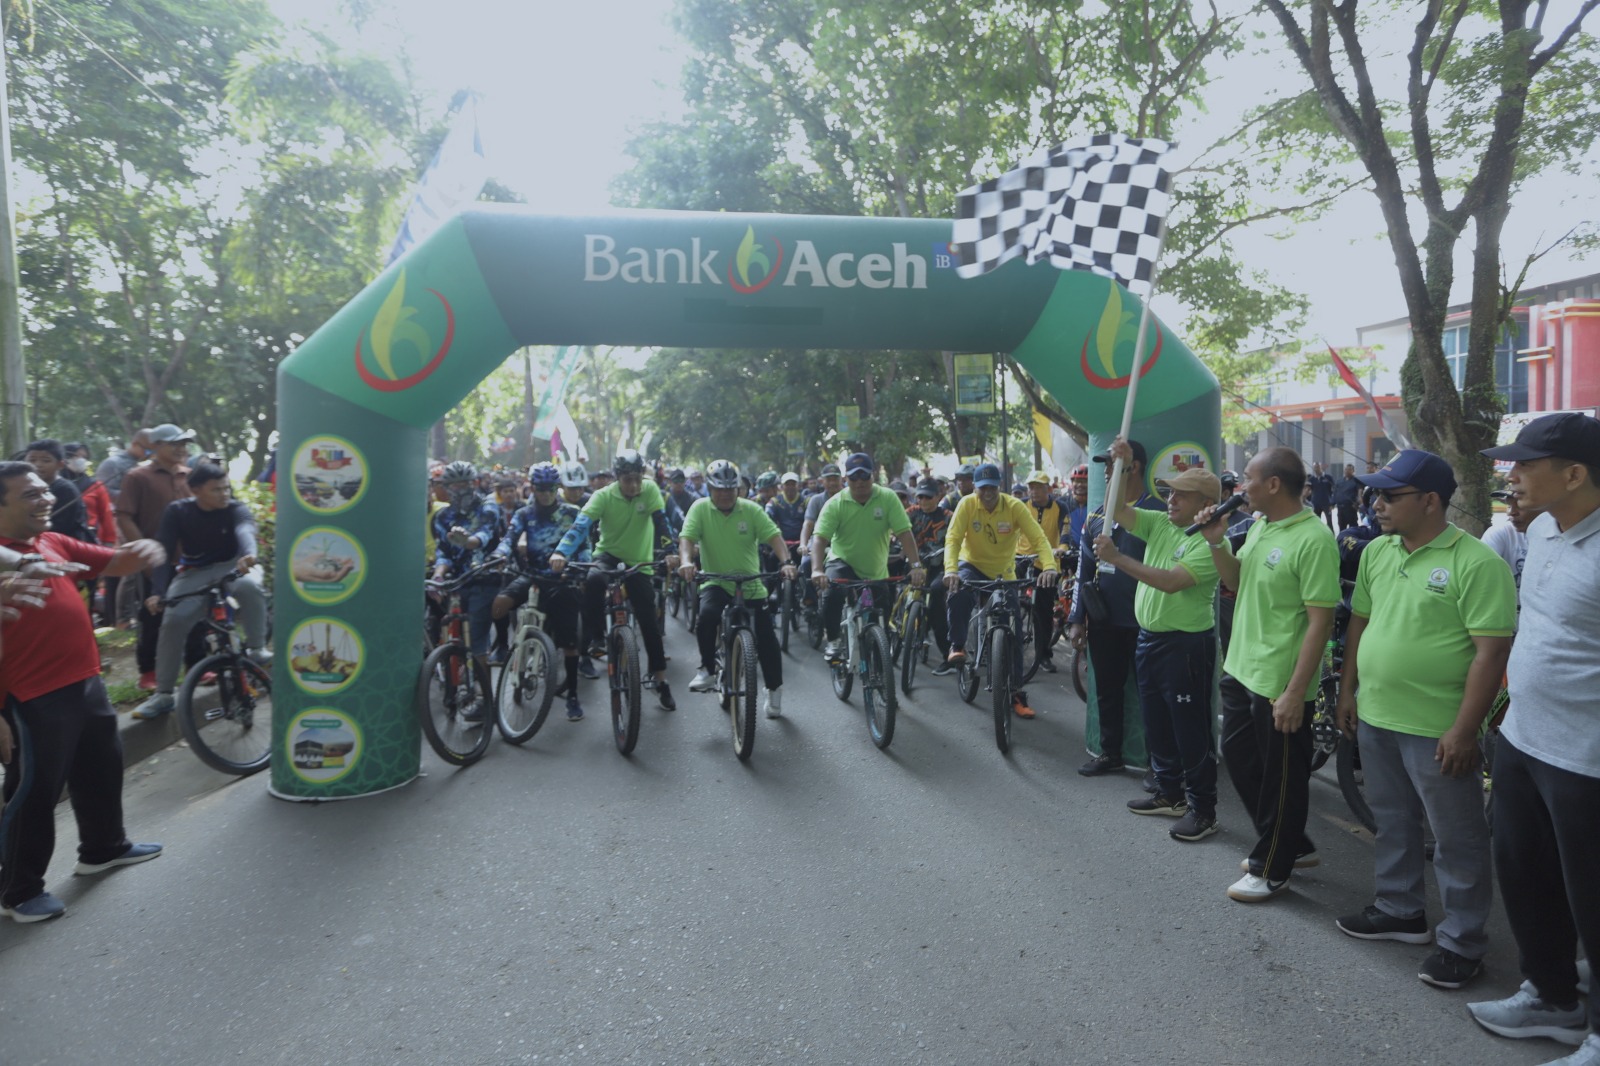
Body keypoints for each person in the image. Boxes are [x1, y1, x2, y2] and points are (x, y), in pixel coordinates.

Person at [1332, 450, 1515, 989]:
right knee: (1392, 820)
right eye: (1375, 494)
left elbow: (1491, 654)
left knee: (1456, 836)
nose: (1376, 504)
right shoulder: (1378, 552)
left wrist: (1465, 728)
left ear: (1430, 501)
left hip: (1439, 726)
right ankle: (1399, 910)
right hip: (1377, 714)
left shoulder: (1477, 563)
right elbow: (1359, 622)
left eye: (1390, 496)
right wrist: (1348, 690)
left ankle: (1462, 941)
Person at [1467, 412, 1600, 1061]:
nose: (1510, 474)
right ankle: (1552, 997)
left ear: (1574, 474)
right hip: (1522, 737)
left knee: (1593, 896)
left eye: (1524, 463)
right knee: (1524, 873)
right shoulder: (1544, 527)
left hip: (1587, 758)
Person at [0, 462, 167, 923]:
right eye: (31, 494)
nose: (47, 499)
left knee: (101, 766)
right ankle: (18, 891)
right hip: (29, 693)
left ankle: (103, 848)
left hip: (84, 680)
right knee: (33, 791)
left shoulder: (51, 540)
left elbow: (114, 560)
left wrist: (144, 548)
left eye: (46, 491)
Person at [1197, 446, 1339, 903]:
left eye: (1248, 481)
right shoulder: (1260, 527)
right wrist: (1216, 542)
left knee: (1283, 777)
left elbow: (1321, 620)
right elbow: (1236, 582)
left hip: (1281, 677)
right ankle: (1289, 843)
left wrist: (1297, 691)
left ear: (1274, 484)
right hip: (1242, 665)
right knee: (1238, 756)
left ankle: (1272, 866)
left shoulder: (1313, 539)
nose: (1241, 490)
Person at [1092, 444, 1225, 842]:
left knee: (1190, 730)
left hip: (1185, 647)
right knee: (1158, 724)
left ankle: (1203, 809)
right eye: (1169, 492)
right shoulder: (1162, 523)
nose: (1171, 500)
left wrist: (1117, 558)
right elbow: (1116, 509)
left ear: (1206, 503)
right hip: (1150, 640)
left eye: (1181, 495)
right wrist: (1120, 465)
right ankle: (1169, 793)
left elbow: (1170, 582)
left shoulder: (1210, 543)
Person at [130, 464, 272, 720]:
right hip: (195, 571)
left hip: (235, 564)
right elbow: (163, 549)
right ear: (195, 490)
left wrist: (249, 554)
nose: (224, 493)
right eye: (216, 489)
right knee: (172, 621)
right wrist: (157, 591)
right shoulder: (178, 511)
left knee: (249, 586)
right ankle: (163, 694)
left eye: (226, 487)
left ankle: (257, 649)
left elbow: (245, 529)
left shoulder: (235, 508)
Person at [550, 450, 678, 712]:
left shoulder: (651, 490)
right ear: (617, 477)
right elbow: (580, 526)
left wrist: (670, 552)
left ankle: (661, 681)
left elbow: (662, 524)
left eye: (636, 479)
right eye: (627, 479)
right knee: (594, 579)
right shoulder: (603, 496)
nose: (633, 485)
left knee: (649, 622)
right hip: (608, 555)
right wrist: (561, 551)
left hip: (639, 562)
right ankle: (597, 637)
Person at [1067, 440, 1164, 776]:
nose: (1106, 471)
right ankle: (1110, 753)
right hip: (1104, 619)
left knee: (1151, 696)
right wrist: (1077, 618)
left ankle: (1159, 765)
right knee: (1108, 690)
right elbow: (1083, 571)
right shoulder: (1096, 517)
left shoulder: (1158, 513)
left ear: (1133, 467)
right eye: (1106, 465)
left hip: (1147, 621)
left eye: (1113, 464)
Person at [679, 460, 796, 718]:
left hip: (751, 582)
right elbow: (687, 539)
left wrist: (786, 562)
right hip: (716, 581)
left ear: (738, 489)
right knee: (707, 616)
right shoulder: (699, 509)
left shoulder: (751, 510)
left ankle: (774, 691)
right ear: (710, 489)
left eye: (730, 489)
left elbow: (774, 536)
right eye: (719, 489)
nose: (725, 494)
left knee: (767, 638)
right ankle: (708, 670)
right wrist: (687, 562)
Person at [942, 463, 1058, 718]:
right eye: (983, 488)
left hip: (1003, 572)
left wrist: (1049, 566)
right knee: (958, 593)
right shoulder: (966, 505)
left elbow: (1039, 538)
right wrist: (951, 570)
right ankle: (957, 645)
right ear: (975, 487)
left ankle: (1016, 692)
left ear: (1000, 486)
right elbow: (952, 540)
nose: (988, 492)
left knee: (1014, 630)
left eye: (992, 487)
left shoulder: (1014, 506)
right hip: (971, 565)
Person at [493, 462, 590, 721]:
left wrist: (579, 568)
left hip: (564, 579)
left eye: (550, 489)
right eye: (540, 489)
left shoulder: (571, 512)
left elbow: (584, 546)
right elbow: (509, 538)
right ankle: (502, 646)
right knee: (499, 604)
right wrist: (499, 555)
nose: (545, 494)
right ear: (532, 488)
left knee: (570, 643)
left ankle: (572, 696)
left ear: (556, 488)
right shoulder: (525, 514)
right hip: (532, 575)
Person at [811, 452, 923, 662]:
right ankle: (834, 641)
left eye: (864, 477)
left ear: (873, 477)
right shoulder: (835, 503)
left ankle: (879, 671)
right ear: (846, 480)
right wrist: (817, 569)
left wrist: (916, 565)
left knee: (880, 620)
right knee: (832, 591)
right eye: (854, 478)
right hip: (842, 562)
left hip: (876, 570)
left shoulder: (888, 498)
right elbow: (819, 539)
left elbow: (904, 533)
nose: (860, 483)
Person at [115, 423, 195, 690]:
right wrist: (143, 551)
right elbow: (124, 515)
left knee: (195, 612)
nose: (181, 449)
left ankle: (197, 666)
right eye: (175, 444)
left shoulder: (190, 475)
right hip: (155, 561)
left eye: (184, 444)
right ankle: (148, 671)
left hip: (190, 560)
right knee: (152, 616)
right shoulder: (138, 476)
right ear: (156, 446)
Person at [430, 461, 506, 718]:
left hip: (484, 579)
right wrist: (439, 573)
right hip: (456, 581)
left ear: (474, 484)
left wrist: (468, 541)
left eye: (465, 484)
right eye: (455, 485)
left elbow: (484, 535)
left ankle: (486, 699)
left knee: (477, 639)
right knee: (446, 630)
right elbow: (443, 550)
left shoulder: (488, 507)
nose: (461, 490)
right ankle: (451, 675)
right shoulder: (442, 517)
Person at [1018, 470, 1071, 675]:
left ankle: (1044, 655)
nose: (1034, 491)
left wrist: (1063, 549)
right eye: (1031, 487)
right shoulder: (1021, 505)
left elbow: (1065, 531)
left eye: (1039, 487)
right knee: (1010, 598)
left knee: (1044, 609)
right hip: (1021, 558)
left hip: (1048, 562)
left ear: (1048, 489)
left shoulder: (1060, 507)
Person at [908, 482, 952, 663]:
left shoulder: (948, 516)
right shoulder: (910, 513)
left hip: (939, 566)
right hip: (914, 563)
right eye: (920, 497)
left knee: (936, 599)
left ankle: (947, 654)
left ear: (938, 497)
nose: (924, 501)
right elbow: (896, 530)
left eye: (928, 497)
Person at [22, 440, 91, 544]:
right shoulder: (22, 487)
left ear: (60, 464)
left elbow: (60, 527)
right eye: (32, 460)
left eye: (46, 461)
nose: (38, 465)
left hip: (65, 544)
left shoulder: (66, 490)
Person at [95, 429, 150, 503]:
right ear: (134, 445)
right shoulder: (112, 463)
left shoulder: (144, 464)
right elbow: (105, 492)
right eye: (148, 451)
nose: (149, 455)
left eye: (154, 451)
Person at [1334, 463, 1361, 530]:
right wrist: (1332, 503)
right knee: (1341, 527)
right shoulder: (1339, 481)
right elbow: (1335, 492)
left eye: (1349, 469)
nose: (1347, 471)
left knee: (1353, 527)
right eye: (1346, 469)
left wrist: (1357, 502)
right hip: (1340, 508)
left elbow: (1359, 492)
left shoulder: (1356, 481)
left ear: (1353, 471)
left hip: (1351, 508)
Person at [1309, 462, 1335, 531]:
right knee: (1316, 521)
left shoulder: (1328, 477)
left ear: (1321, 467)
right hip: (1316, 503)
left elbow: (1334, 489)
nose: (1316, 469)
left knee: (1329, 522)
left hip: (1327, 503)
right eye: (1315, 467)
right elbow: (1309, 491)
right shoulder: (1311, 479)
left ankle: (1331, 536)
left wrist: (1332, 503)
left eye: (1318, 467)